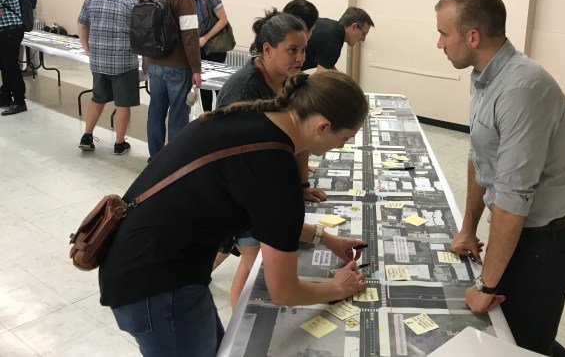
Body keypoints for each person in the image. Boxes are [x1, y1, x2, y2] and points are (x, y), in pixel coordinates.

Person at [99, 70, 369, 356]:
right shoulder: (276, 169)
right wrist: (337, 288)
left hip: (141, 260)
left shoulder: (252, 121)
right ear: (323, 127)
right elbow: (284, 292)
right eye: (345, 138)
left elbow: (267, 214)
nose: (342, 146)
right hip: (154, 284)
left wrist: (326, 238)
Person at [435, 0, 565, 356]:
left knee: (521, 344)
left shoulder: (522, 88)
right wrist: (468, 228)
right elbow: (480, 158)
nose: (440, 43)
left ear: (473, 36)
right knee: (508, 332)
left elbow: (513, 198)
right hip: (522, 235)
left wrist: (486, 286)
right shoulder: (483, 76)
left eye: (443, 33)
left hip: (545, 244)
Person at [215, 10, 328, 309]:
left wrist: (302, 184)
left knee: (252, 261)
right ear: (267, 49)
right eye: (292, 50)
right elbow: (232, 160)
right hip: (239, 192)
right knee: (257, 267)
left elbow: (299, 138)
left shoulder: (290, 82)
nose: (300, 57)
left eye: (303, 50)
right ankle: (241, 331)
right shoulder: (243, 91)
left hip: (260, 188)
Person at [76, 0, 141, 155]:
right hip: (123, 62)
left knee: (98, 98)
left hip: (98, 61)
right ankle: (119, 144)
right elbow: (139, 35)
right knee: (123, 104)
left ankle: (87, 136)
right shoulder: (132, 3)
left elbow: (82, 24)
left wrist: (87, 48)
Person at [143, 0, 201, 160]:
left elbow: (144, 29)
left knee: (156, 111)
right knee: (178, 114)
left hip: (154, 63)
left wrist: (145, 60)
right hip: (178, 66)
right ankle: (173, 162)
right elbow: (190, 35)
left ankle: (155, 159)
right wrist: (196, 68)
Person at [189, 0, 231, 111]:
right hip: (198, 48)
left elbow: (223, 19)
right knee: (204, 85)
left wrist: (206, 38)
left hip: (215, 48)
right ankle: (207, 116)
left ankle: (223, 115)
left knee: (219, 86)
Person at [301, 6, 374, 71]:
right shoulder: (334, 38)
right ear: (354, 27)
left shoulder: (332, 29)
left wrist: (345, 80)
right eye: (363, 34)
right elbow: (322, 77)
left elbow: (328, 66)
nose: (363, 40)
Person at [1, 0, 38, 76]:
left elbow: (31, 1)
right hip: (19, 14)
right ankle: (20, 65)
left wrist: (21, 11)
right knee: (19, 43)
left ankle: (33, 67)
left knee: (31, 42)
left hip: (27, 14)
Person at [0, 0, 27, 115]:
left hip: (10, 32)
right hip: (4, 32)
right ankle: (5, 97)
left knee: (11, 67)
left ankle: (19, 101)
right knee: (4, 66)